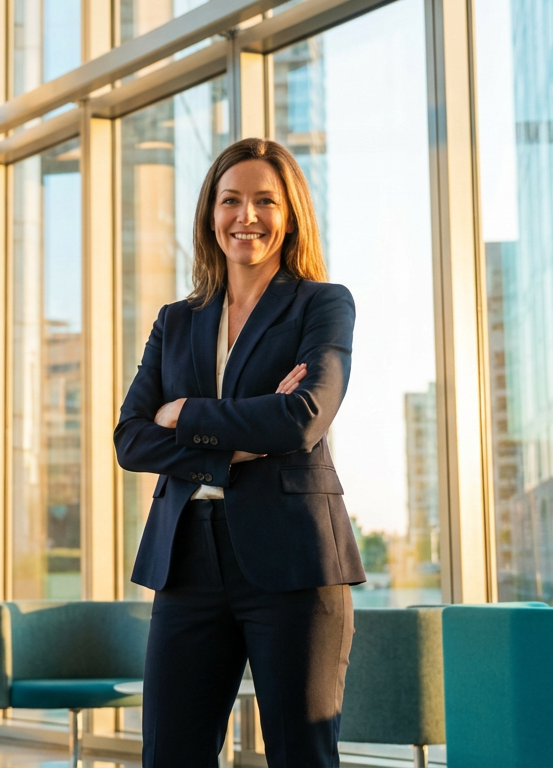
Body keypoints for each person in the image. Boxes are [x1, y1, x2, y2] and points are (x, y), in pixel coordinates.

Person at [114, 137, 364, 767]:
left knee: (299, 756)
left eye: (264, 201)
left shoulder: (321, 304)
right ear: (210, 214)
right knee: (170, 755)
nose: (245, 215)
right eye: (231, 200)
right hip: (188, 559)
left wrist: (186, 416)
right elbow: (131, 437)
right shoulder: (177, 320)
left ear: (290, 214)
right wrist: (238, 446)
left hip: (295, 561)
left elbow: (303, 418)